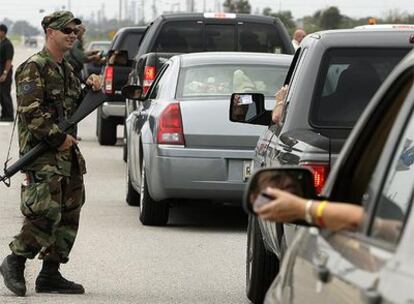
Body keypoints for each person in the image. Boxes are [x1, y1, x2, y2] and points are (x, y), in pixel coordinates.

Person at [0, 11, 101, 297]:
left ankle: (50, 273)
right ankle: (15, 262)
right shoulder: (34, 67)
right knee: (44, 212)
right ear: (50, 33)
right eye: (65, 30)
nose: (72, 34)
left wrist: (90, 88)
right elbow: (32, 114)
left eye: (75, 31)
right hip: (42, 154)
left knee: (70, 211)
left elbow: (71, 108)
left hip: (66, 154)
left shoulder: (66, 68)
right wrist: (59, 138)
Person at [0, 23, 15, 122]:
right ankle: (4, 114)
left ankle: (9, 115)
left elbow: (9, 60)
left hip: (5, 73)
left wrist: (5, 73)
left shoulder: (7, 44)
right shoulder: (1, 43)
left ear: (3, 32)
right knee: (1, 95)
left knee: (5, 94)